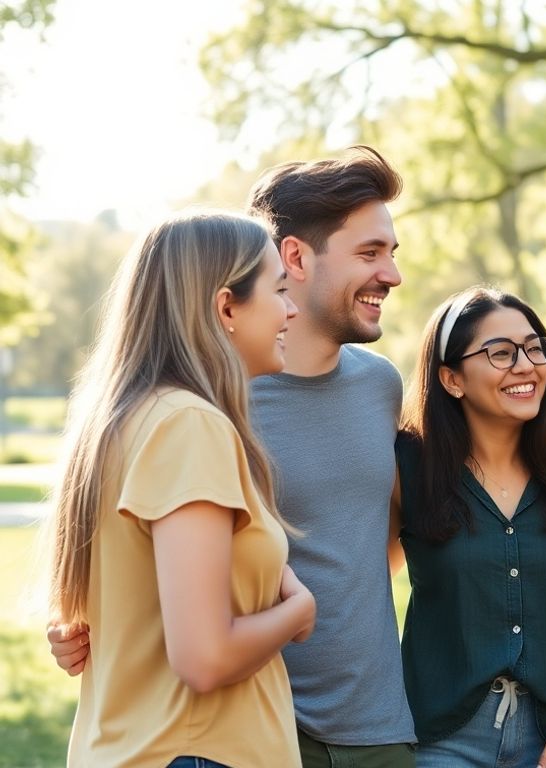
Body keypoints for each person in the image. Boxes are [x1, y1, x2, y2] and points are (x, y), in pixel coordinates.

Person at [48, 145, 418, 767]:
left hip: (365, 725)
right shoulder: (201, 416)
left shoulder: (378, 386)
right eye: (369, 252)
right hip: (227, 731)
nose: (392, 274)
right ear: (292, 260)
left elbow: (373, 539)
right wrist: (299, 609)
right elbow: (175, 628)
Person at [47, 211, 312, 766]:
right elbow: (204, 658)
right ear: (226, 308)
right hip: (196, 754)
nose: (291, 310)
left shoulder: (124, 421)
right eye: (279, 290)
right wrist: (300, 612)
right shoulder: (189, 426)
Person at [395, 287, 546, 768]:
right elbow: (370, 579)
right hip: (441, 739)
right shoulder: (407, 468)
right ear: (452, 379)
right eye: (501, 353)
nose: (526, 366)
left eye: (535, 348)